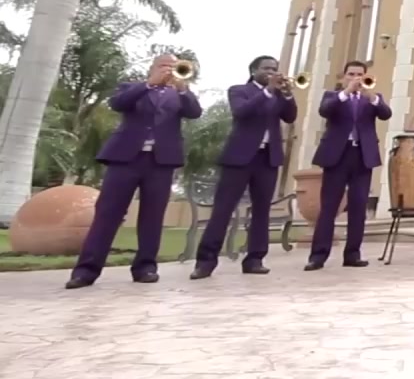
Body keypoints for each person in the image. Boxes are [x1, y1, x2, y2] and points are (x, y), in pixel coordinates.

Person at [66, 54, 203, 289]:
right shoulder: (131, 88)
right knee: (107, 215)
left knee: (153, 217)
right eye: (164, 66)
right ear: (153, 68)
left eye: (173, 66)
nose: (169, 70)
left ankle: (145, 268)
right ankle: (86, 271)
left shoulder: (179, 94)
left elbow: (194, 112)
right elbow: (117, 103)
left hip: (160, 162)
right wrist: (149, 84)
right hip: (125, 159)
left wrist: (182, 88)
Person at [191, 55, 297, 279]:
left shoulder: (278, 94)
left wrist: (288, 95)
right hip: (239, 158)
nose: (271, 72)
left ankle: (255, 259)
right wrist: (267, 91)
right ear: (253, 71)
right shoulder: (239, 90)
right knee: (223, 209)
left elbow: (290, 117)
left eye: (274, 69)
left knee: (262, 210)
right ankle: (205, 262)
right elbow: (242, 112)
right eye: (266, 68)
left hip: (267, 158)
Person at [305, 60, 392, 271]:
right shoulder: (333, 96)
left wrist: (372, 97)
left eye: (360, 74)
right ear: (343, 76)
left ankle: (352, 254)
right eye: (351, 74)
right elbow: (325, 111)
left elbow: (386, 114)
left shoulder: (372, 98)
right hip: (337, 155)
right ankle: (318, 256)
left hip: (362, 156)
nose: (356, 78)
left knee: (358, 206)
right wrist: (346, 92)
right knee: (329, 206)